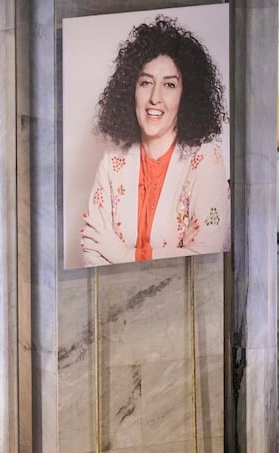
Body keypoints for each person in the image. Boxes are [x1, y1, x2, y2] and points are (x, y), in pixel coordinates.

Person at [80, 15, 229, 266]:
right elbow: (91, 251)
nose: (155, 98)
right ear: (131, 89)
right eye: (146, 82)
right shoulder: (112, 159)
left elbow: (208, 255)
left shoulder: (206, 159)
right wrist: (180, 251)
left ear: (187, 95)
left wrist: (124, 255)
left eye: (169, 85)